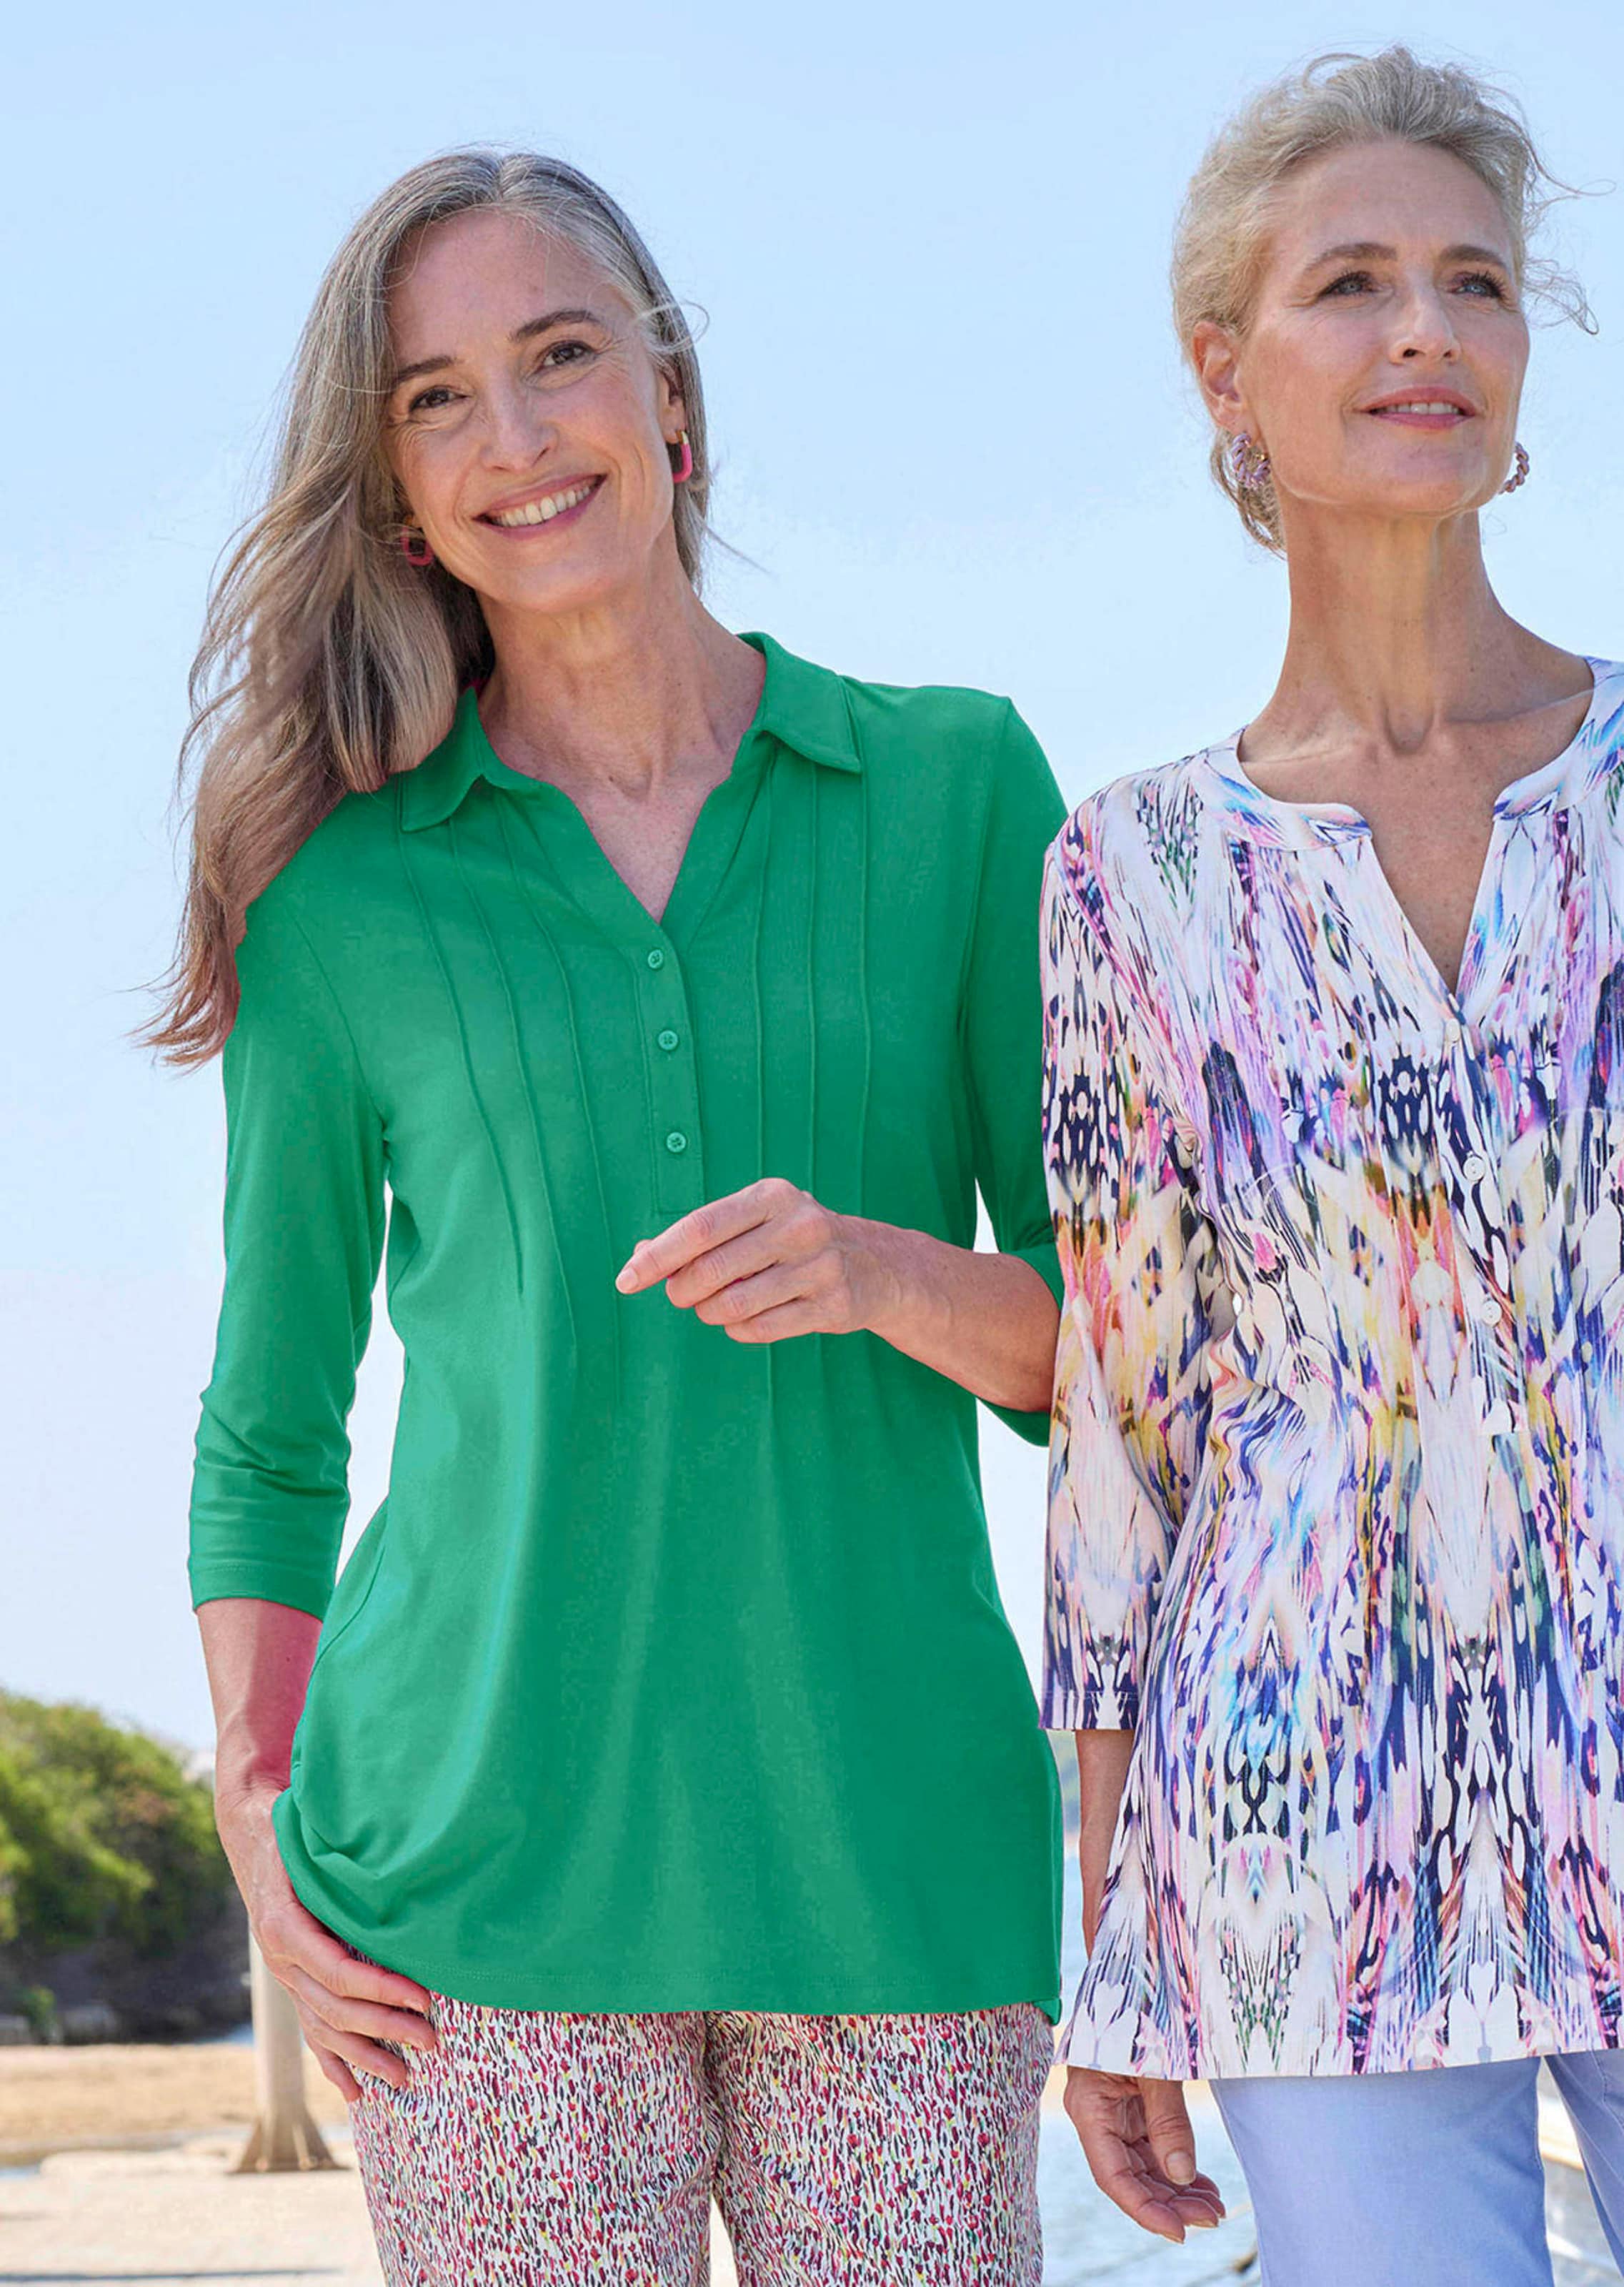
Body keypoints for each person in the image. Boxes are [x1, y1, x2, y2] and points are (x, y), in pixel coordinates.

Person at [152, 149, 1067, 2284]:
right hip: (470, 1903)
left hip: (895, 1864)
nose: (517, 434)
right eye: (436, 398)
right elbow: (270, 1427)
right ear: (397, 493)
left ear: (671, 394)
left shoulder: (957, 792)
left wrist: (880, 1272)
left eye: (559, 354)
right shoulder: (338, 899)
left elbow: (1110, 1354)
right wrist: (256, 1818)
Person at [1039, 46, 1624, 2286]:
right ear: (1227, 370)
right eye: (1350, 283)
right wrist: (1115, 1929)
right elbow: (1123, 1431)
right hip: (1298, 1821)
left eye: (1471, 281)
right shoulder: (1132, 875)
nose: (1422, 332)